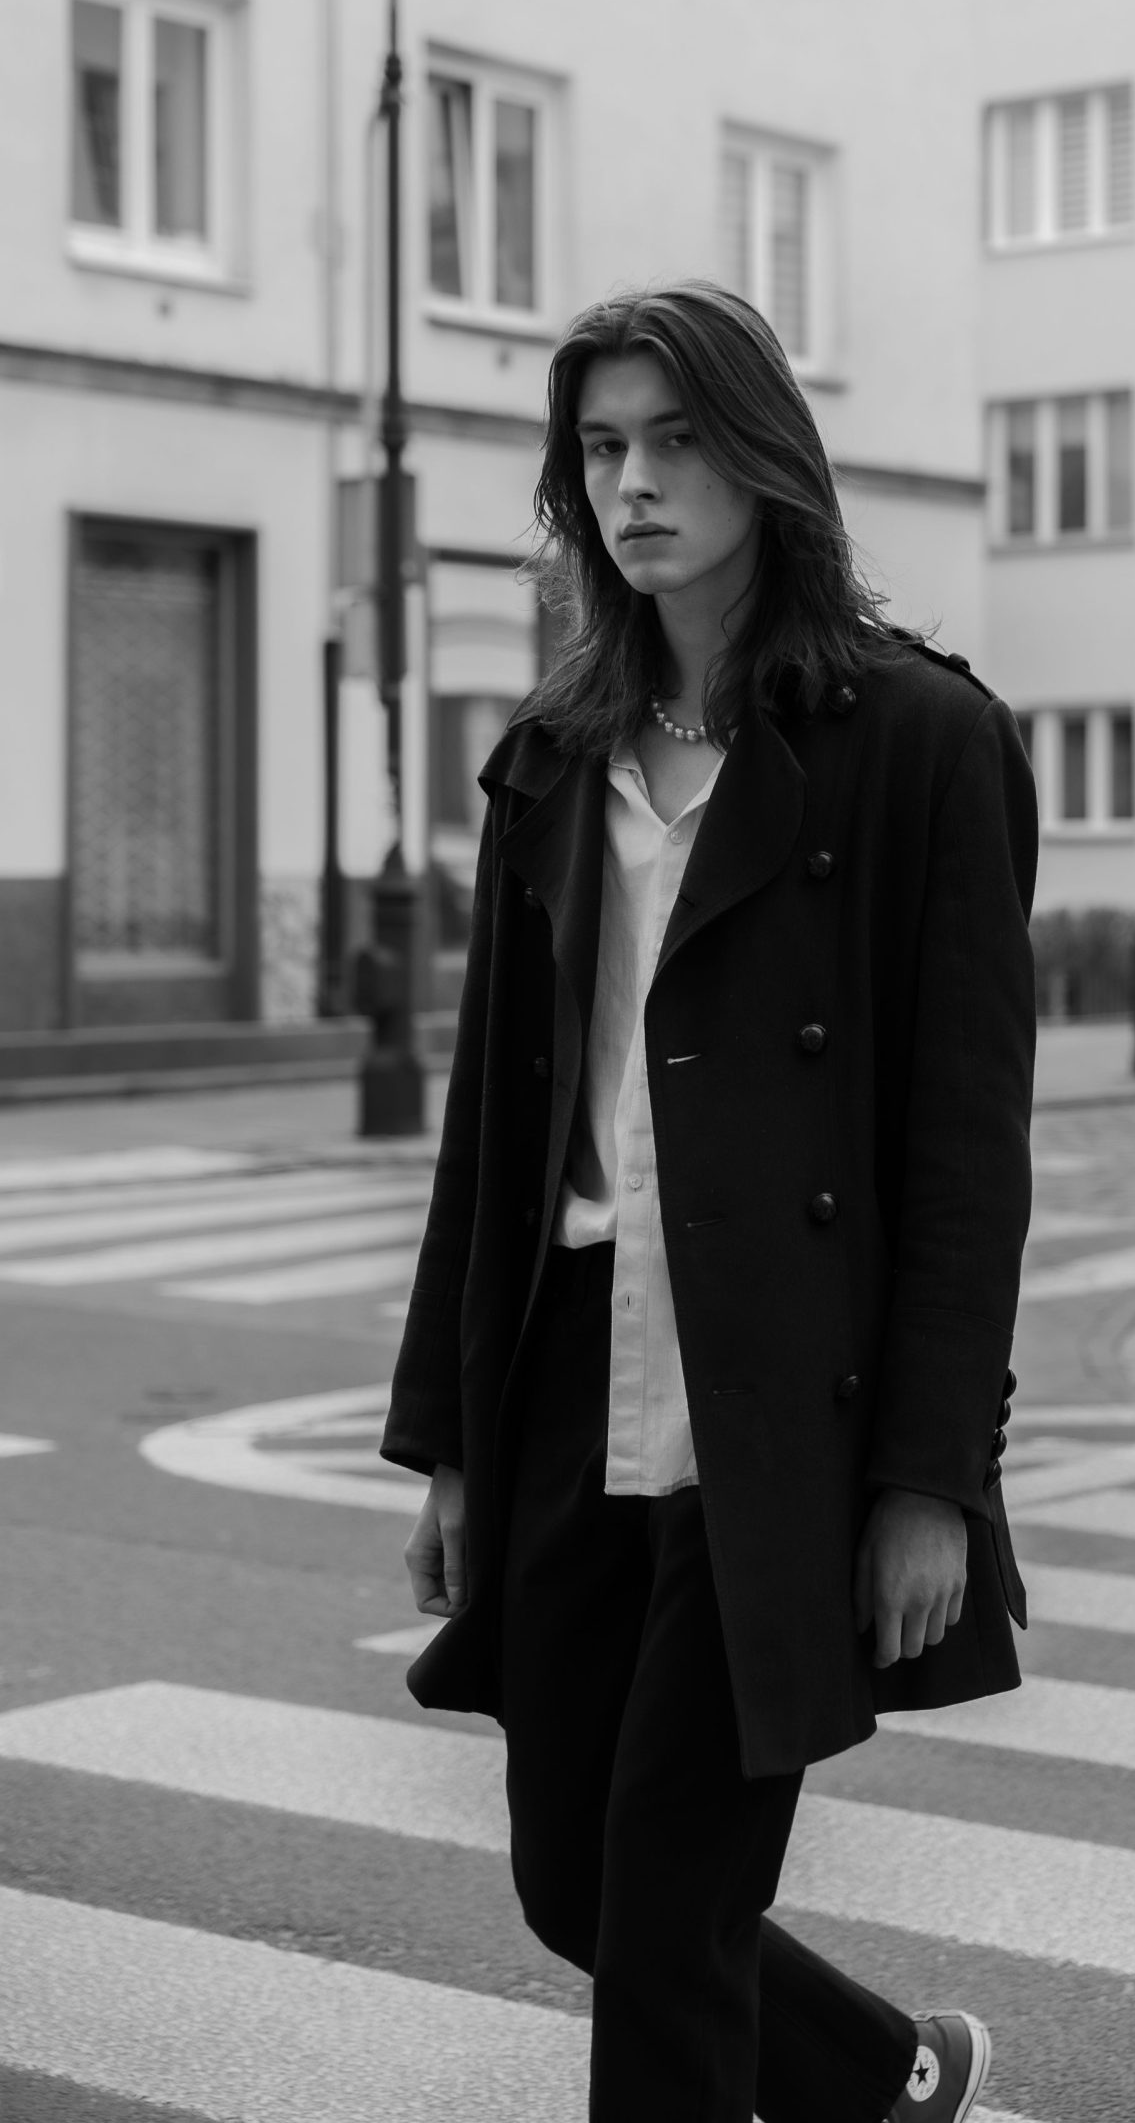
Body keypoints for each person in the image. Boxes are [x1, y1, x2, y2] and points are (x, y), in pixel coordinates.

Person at [382, 279, 1037, 2123]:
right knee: (576, 1883)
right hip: (569, 1378)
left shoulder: (917, 744)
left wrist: (930, 1480)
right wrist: (450, 1446)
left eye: (676, 441)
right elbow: (492, 1136)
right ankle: (888, 2075)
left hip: (778, 1400)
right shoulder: (556, 754)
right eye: (600, 448)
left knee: (670, 1921)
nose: (634, 485)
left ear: (765, 459)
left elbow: (964, 1157)